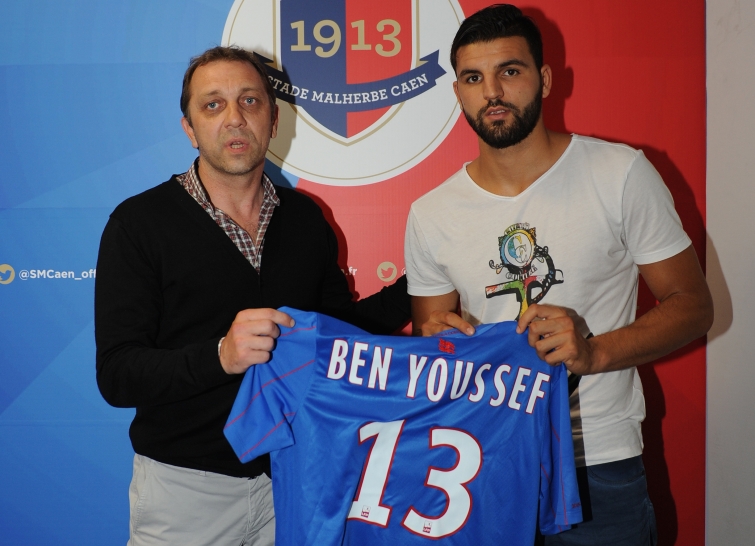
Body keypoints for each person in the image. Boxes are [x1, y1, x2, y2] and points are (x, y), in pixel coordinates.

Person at [403, 5, 713, 545]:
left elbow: (693, 305)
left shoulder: (620, 174)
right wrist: (438, 344)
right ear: (458, 93)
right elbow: (436, 341)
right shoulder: (430, 212)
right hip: (483, 459)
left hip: (597, 460)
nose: (492, 91)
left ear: (544, 79)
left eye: (511, 71)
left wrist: (593, 353)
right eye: (474, 78)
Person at [95, 46, 409, 546]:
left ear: (273, 118)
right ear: (189, 128)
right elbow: (116, 375)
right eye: (213, 105)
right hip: (185, 491)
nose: (235, 118)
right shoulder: (138, 224)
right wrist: (220, 356)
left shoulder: (306, 219)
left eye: (250, 101)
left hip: (295, 479)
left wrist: (429, 285)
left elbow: (339, 336)